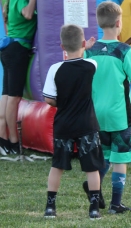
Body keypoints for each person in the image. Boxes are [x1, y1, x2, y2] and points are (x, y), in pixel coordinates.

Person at [85, 1, 131, 214]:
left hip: (95, 116)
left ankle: (92, 187)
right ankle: (116, 204)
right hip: (119, 116)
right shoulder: (125, 51)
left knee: (102, 156)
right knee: (119, 158)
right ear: (118, 22)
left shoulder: (90, 51)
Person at [42, 24, 104, 220]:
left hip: (64, 124)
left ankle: (50, 207)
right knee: (92, 167)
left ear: (61, 47)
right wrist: (89, 47)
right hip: (87, 124)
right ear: (84, 44)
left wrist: (64, 102)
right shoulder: (91, 65)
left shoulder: (55, 69)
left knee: (57, 165)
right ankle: (94, 208)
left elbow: (49, 99)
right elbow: (86, 58)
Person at [0, 0, 38, 156]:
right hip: (17, 50)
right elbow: (28, 14)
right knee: (13, 98)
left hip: (10, 49)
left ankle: (3, 139)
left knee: (7, 95)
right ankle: (13, 142)